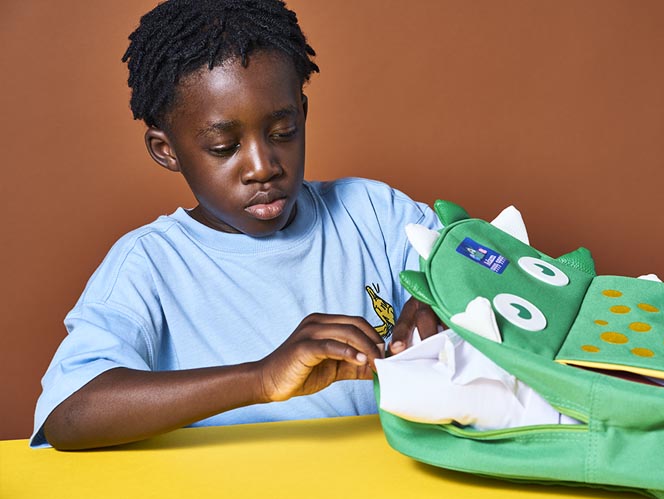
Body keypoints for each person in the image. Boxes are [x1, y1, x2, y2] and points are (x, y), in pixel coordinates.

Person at [31, 0, 440, 450]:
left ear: (302, 114)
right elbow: (70, 415)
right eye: (225, 146)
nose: (263, 167)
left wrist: (444, 307)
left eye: (282, 132)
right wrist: (260, 378)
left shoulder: (373, 213)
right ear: (166, 150)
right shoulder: (149, 265)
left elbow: (495, 270)